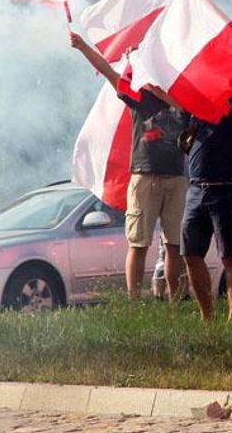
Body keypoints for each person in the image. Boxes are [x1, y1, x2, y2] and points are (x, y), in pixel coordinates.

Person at [70, 33, 188, 300]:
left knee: (174, 244)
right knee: (138, 242)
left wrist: (163, 93)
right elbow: (107, 70)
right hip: (145, 175)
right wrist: (82, 47)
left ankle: (176, 300)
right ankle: (134, 301)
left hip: (175, 175)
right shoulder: (139, 97)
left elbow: (189, 114)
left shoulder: (182, 98)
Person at [181, 85, 232, 321]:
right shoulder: (196, 113)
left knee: (230, 257)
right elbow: (170, 94)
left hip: (226, 191)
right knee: (191, 255)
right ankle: (207, 316)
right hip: (196, 191)